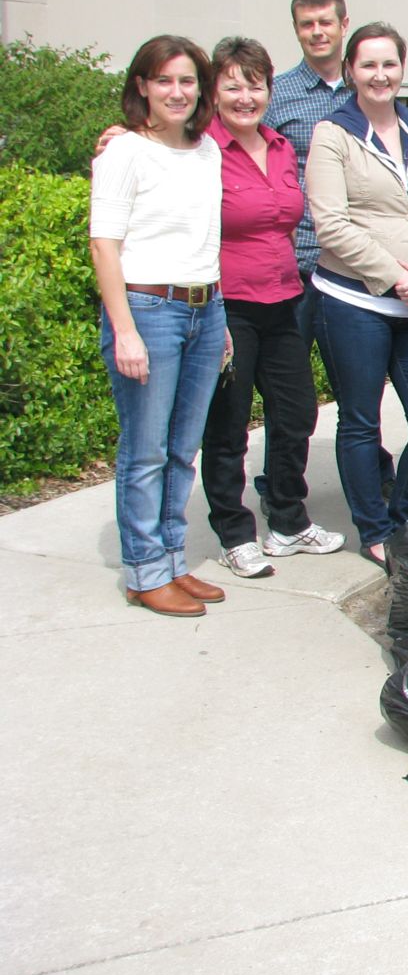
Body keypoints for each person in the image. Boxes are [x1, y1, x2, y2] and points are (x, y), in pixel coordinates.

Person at [305, 23, 408, 567]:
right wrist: (400, 277)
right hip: (355, 303)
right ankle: (373, 529)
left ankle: (400, 517)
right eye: (368, 65)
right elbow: (332, 225)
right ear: (351, 70)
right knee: (360, 421)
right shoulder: (333, 134)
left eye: (389, 64)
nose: (379, 75)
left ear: (402, 68)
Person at [90, 36, 228, 616]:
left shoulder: (206, 151)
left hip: (205, 306)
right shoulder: (123, 153)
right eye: (165, 80)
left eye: (188, 81)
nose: (178, 92)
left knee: (181, 448)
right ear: (142, 86)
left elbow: (206, 238)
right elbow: (104, 244)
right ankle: (144, 572)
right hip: (149, 311)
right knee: (145, 451)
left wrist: (217, 321)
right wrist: (123, 330)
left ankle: (171, 559)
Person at [199, 37, 345, 578]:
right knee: (229, 426)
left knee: (297, 413)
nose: (244, 96)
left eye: (254, 84)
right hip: (228, 304)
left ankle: (287, 517)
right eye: (232, 85)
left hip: (285, 295)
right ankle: (234, 533)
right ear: (214, 92)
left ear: (268, 90)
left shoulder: (281, 146)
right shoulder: (201, 150)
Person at [261, 0, 396, 492]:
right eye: (306, 24)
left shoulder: (372, 89)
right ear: (297, 30)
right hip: (298, 266)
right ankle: (283, 491)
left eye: (326, 22)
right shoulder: (277, 95)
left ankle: (375, 482)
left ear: (344, 25)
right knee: (288, 396)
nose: (317, 32)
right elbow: (229, 142)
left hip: (357, 271)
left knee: (358, 391)